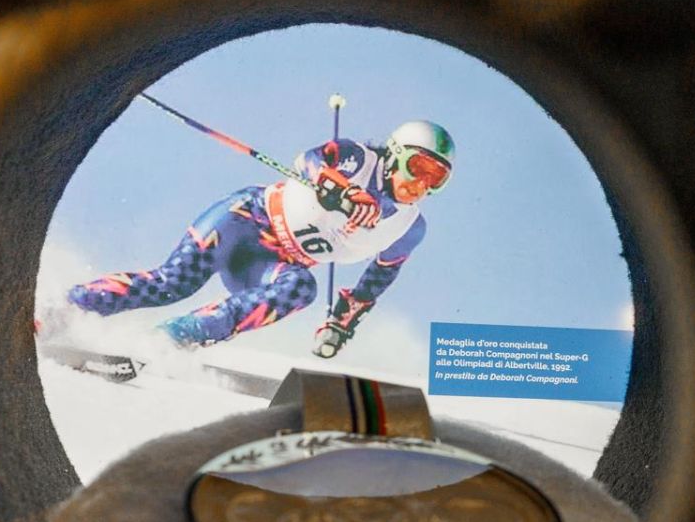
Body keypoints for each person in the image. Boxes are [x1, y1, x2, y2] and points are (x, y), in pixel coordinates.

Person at [64, 120, 455, 358]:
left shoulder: (409, 227)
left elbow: (375, 283)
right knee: (172, 284)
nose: (421, 183)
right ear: (394, 155)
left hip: (269, 264)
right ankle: (65, 309)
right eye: (417, 166)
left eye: (436, 178)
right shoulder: (360, 158)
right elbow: (311, 159)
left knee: (301, 288)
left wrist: (340, 324)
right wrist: (343, 189)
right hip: (243, 222)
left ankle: (173, 338)